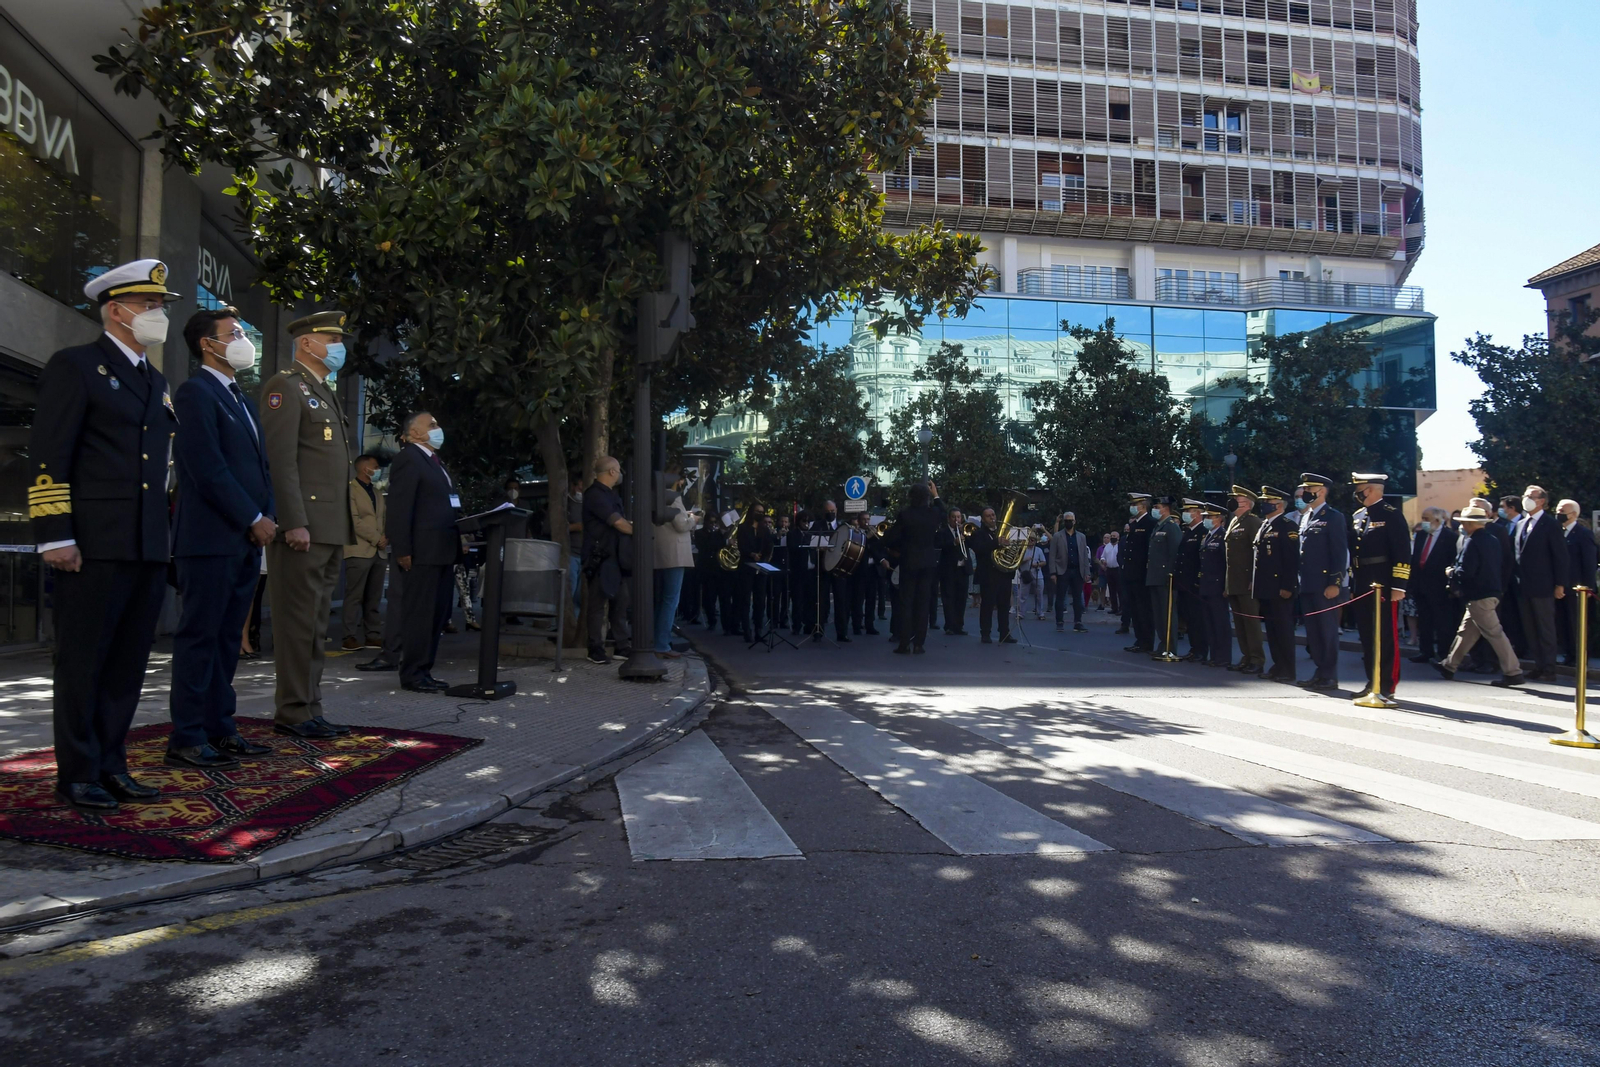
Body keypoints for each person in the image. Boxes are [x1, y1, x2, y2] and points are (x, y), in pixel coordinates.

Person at [30, 260, 180, 810]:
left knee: (126, 664)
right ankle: (77, 772)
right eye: (149, 305)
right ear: (116, 311)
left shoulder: (156, 381)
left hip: (144, 543)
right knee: (82, 661)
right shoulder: (76, 365)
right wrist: (55, 534)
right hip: (92, 542)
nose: (158, 314)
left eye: (160, 306)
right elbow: (50, 453)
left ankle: (112, 764)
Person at [166, 304, 278, 769]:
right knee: (200, 637)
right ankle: (188, 736)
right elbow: (207, 468)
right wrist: (252, 516)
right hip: (209, 540)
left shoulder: (241, 399)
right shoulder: (195, 393)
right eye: (233, 333)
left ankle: (220, 727)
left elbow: (260, 469)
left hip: (245, 540)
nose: (243, 340)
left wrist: (267, 514)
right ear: (207, 344)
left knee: (229, 638)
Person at [260, 310, 355, 738]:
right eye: (331, 339)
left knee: (315, 626)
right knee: (297, 624)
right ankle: (294, 711)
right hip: (304, 529)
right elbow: (280, 462)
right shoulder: (285, 386)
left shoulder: (322, 391)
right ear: (306, 343)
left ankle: (310, 707)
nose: (338, 346)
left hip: (329, 527)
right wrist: (293, 521)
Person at [386, 411, 462, 692]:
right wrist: (402, 549)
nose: (438, 428)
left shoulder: (435, 461)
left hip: (442, 550)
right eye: (431, 424)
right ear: (415, 433)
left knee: (437, 615)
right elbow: (399, 507)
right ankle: (413, 674)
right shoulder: (408, 458)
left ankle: (424, 670)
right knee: (420, 615)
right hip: (422, 552)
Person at [1433, 504, 1526, 688]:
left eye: (1464, 523)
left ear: (1469, 524)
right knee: (1466, 632)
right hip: (1490, 592)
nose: (1462, 526)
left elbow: (1466, 571)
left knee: (1494, 633)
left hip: (1478, 594)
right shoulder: (1492, 540)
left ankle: (1513, 672)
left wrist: (1451, 572)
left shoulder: (1472, 542)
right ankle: (1449, 665)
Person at [1349, 473, 1412, 701]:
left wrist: (1399, 586)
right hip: (1363, 581)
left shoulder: (1391, 514)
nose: (1357, 493)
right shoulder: (1358, 516)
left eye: (1360, 488)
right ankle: (1372, 681)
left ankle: (1386, 684)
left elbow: (1402, 552)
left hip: (1383, 583)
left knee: (1385, 635)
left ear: (1371, 489)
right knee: (1367, 635)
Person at [1294, 473, 1348, 690]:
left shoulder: (1334, 517)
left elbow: (1339, 553)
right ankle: (1320, 671)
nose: (1305, 493)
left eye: (1309, 489)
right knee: (1313, 633)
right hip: (1307, 583)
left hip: (1325, 585)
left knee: (1327, 631)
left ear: (1322, 491)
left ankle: (1329, 675)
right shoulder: (1307, 517)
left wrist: (1335, 582)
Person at [1513, 484, 1568, 682]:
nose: (1526, 499)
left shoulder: (1550, 524)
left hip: (1543, 585)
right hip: (1523, 584)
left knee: (1545, 628)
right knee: (1530, 628)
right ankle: (1538, 664)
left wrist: (1560, 584)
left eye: (1531, 496)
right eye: (1525, 495)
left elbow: (1560, 556)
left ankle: (1549, 668)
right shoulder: (1521, 524)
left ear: (1542, 501)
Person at [582, 456, 634, 664]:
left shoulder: (610, 494)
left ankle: (622, 646)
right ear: (612, 472)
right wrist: (638, 531)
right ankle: (595, 648)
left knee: (621, 602)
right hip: (600, 558)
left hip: (615, 557)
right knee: (597, 604)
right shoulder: (595, 495)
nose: (620, 474)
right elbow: (618, 523)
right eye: (618, 470)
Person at [883, 481, 943, 654]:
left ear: (910, 497)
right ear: (926, 497)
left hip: (909, 561)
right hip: (928, 562)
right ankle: (919, 643)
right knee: (923, 604)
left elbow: (892, 538)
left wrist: (897, 547)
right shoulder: (933, 513)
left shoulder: (905, 514)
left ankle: (904, 643)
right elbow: (943, 512)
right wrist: (936, 495)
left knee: (906, 603)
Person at [1252, 486, 1300, 683]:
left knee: (1283, 630)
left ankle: (1287, 669)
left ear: (1279, 505)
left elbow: (1291, 559)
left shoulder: (1287, 526)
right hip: (1266, 587)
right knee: (1272, 630)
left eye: (1268, 501)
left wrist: (1288, 586)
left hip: (1280, 587)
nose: (1264, 504)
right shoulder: (1265, 524)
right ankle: (1277, 665)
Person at [342, 454, 388, 650]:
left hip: (379, 552)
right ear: (364, 468)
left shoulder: (377, 492)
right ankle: (349, 636)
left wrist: (385, 537)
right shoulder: (350, 490)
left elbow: (383, 518)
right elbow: (354, 520)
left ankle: (373, 635)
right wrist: (376, 538)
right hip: (359, 549)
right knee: (354, 596)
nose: (378, 470)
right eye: (375, 467)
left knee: (374, 597)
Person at [1408, 506, 1459, 664]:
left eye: (1426, 519)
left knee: (1443, 622)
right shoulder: (1421, 535)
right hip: (1421, 585)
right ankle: (1425, 651)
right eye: (1423, 518)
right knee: (1424, 621)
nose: (1423, 522)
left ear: (1437, 520)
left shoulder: (1450, 537)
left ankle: (1443, 654)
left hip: (1440, 586)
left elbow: (1452, 561)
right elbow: (1415, 559)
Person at [653, 475, 697, 658]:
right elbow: (680, 525)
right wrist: (693, 519)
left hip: (660, 552)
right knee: (670, 600)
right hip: (675, 554)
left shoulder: (655, 495)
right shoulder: (673, 497)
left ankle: (658, 640)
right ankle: (661, 644)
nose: (682, 483)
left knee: (661, 600)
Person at [1224, 486, 1265, 675]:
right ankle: (1246, 656)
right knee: (1240, 623)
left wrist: (1254, 579)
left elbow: (1258, 553)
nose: (1232, 502)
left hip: (1247, 581)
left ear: (1247, 504)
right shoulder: (1234, 521)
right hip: (1234, 581)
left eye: (1237, 499)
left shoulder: (1253, 522)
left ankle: (1257, 659)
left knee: (1251, 623)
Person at [1556, 498, 1597, 666]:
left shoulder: (1583, 534)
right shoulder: (1558, 532)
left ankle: (1580, 656)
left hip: (1578, 587)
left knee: (1577, 623)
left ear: (1573, 514)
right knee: (1563, 622)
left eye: (1562, 511)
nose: (1558, 514)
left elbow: (1589, 562)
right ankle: (1569, 653)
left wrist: (1588, 587)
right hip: (1561, 586)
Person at [968, 507, 1016, 644]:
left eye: (993, 514)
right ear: (983, 519)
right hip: (988, 574)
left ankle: (1004, 633)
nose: (992, 517)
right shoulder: (979, 533)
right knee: (987, 605)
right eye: (988, 516)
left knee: (1004, 605)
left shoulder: (1005, 532)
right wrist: (997, 542)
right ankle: (985, 633)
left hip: (1004, 573)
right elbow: (979, 549)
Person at [1145, 497, 1184, 658]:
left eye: (1157, 507)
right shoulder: (1158, 526)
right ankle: (1163, 644)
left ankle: (1170, 647)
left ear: (1166, 509)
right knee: (1159, 614)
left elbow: (1175, 553)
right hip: (1155, 576)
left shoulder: (1171, 527)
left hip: (1166, 577)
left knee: (1167, 614)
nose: (1154, 509)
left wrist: (1172, 574)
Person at [1197, 502, 1231, 667]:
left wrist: (1226, 585)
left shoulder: (1223, 536)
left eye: (1210, 517)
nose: (1207, 519)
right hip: (1206, 584)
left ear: (1220, 519)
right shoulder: (1207, 536)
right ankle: (1214, 654)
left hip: (1218, 586)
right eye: (1206, 517)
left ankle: (1223, 656)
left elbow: (1226, 563)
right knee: (1209, 622)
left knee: (1220, 622)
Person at [1495, 495, 1528, 656]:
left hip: (1520, 577)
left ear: (1512, 508)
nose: (1500, 510)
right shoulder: (1500, 525)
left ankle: (1522, 647)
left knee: (1521, 614)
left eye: (1503, 507)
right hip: (1504, 577)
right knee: (1507, 615)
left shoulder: (1524, 524)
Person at [1123, 493, 1156, 651]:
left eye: (1134, 504)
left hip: (1142, 573)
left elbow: (1149, 549)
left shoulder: (1150, 523)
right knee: (1135, 609)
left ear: (1143, 506)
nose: (1132, 507)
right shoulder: (1135, 524)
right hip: (1132, 573)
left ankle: (1147, 641)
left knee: (1144, 609)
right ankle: (1139, 639)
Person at [814, 501, 851, 642]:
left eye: (832, 511)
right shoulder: (817, 525)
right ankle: (819, 630)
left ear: (836, 510)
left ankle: (842, 633)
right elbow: (811, 542)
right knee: (821, 600)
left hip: (838, 567)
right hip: (823, 568)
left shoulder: (843, 526)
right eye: (828, 511)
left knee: (841, 601)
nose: (830, 513)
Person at [1174, 500, 1206, 661]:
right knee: (1189, 618)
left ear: (1198, 513)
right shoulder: (1188, 532)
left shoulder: (1202, 532)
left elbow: (1202, 559)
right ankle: (1194, 648)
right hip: (1184, 582)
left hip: (1194, 583)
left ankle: (1201, 650)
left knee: (1197, 618)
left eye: (1189, 511)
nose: (1185, 514)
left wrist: (1198, 579)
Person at [736, 504, 774, 640]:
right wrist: (751, 554)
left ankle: (758, 629)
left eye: (762, 512)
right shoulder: (743, 528)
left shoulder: (765, 529)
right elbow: (741, 546)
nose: (760, 514)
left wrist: (763, 557)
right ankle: (746, 629)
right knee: (745, 599)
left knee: (760, 599)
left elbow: (769, 546)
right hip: (746, 566)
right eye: (757, 511)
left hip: (761, 567)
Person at [1049, 512, 1091, 633]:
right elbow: (1052, 555)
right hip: (1062, 571)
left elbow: (1084, 555)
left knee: (1077, 598)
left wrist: (1087, 572)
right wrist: (1053, 573)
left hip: (1077, 571)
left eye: (1070, 520)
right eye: (1066, 520)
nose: (1068, 522)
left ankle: (1078, 622)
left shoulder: (1081, 537)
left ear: (1074, 521)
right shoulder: (1057, 536)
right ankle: (1059, 622)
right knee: (1060, 597)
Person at [935, 508, 970, 635]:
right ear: (949, 519)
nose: (956, 520)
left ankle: (959, 626)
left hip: (962, 569)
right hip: (948, 569)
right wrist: (953, 542)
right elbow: (939, 545)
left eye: (959, 517)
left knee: (962, 598)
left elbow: (972, 544)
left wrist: (965, 534)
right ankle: (949, 625)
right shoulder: (942, 532)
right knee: (949, 598)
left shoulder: (964, 531)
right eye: (954, 517)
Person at [849, 512, 881, 635]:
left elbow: (879, 548)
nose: (866, 522)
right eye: (864, 519)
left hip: (872, 569)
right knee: (858, 599)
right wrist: (867, 537)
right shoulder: (856, 533)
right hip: (860, 570)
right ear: (858, 521)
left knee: (871, 599)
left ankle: (870, 625)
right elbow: (856, 548)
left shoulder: (874, 534)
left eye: (868, 519)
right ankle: (857, 625)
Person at [1100, 531, 1121, 615]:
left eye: (1114, 536)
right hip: (1109, 569)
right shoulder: (1107, 546)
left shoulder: (1120, 546)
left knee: (1120, 590)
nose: (1112, 537)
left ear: (1118, 537)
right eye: (1111, 536)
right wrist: (1103, 561)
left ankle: (1121, 608)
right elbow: (1102, 556)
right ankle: (1114, 608)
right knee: (1112, 590)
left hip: (1118, 569)